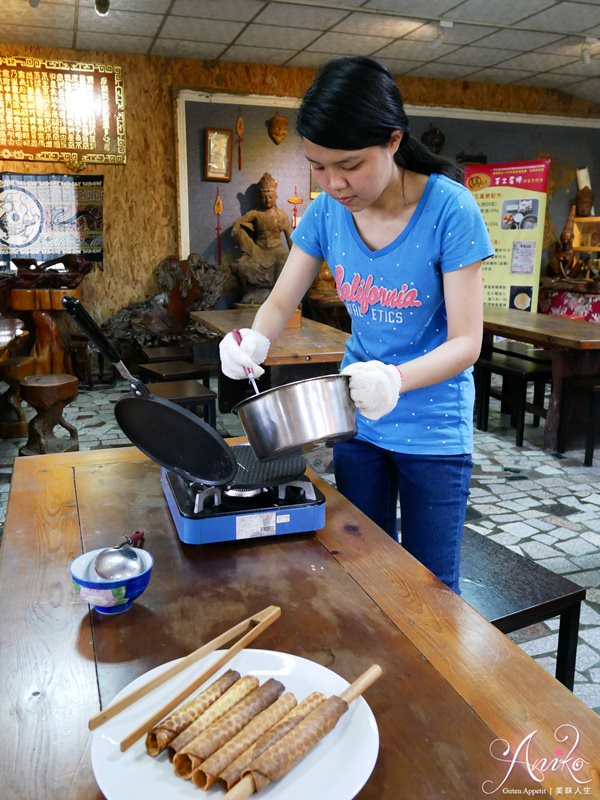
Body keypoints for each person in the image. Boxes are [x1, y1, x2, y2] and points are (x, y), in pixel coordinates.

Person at [220, 56, 493, 593]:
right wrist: (256, 336)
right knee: (361, 564)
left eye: (349, 165)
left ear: (393, 141)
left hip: (434, 430)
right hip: (358, 420)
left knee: (431, 587)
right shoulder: (325, 213)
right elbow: (279, 301)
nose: (333, 183)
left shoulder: (450, 210)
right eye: (318, 166)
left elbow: (467, 342)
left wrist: (395, 380)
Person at [231, 172, 293, 304]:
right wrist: (243, 236)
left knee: (284, 261)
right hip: (258, 250)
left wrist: (296, 257)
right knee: (242, 265)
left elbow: (290, 239)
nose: (267, 200)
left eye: (270, 197)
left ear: (275, 197)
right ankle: (248, 293)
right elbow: (237, 224)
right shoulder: (255, 214)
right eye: (264, 197)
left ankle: (277, 296)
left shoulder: (281, 216)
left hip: (276, 251)